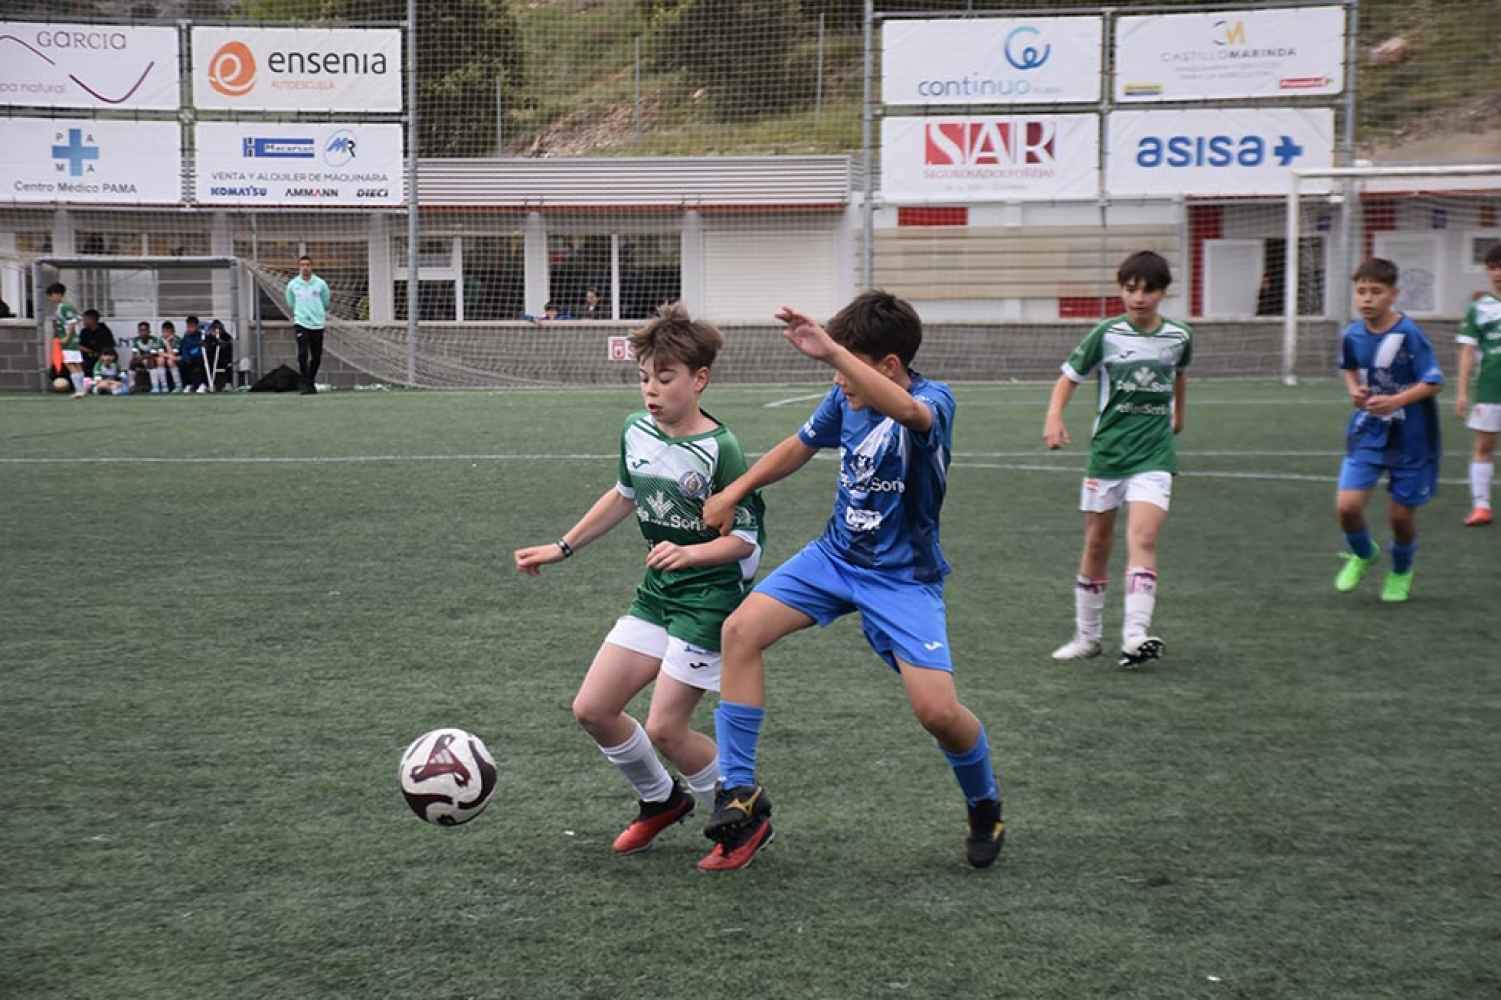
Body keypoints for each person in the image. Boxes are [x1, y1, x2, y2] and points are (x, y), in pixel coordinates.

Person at [698, 291, 1003, 873]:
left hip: (903, 580)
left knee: (937, 713)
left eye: (848, 371)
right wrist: (736, 490)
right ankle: (738, 788)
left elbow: (912, 417)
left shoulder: (933, 400)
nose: (839, 384)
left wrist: (836, 353)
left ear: (887, 366)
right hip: (835, 558)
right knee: (740, 631)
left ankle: (984, 802)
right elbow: (800, 445)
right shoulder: (847, 395)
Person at [513, 304, 766, 857]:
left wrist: (693, 554)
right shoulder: (635, 430)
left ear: (699, 379)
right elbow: (625, 495)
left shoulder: (721, 450)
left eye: (665, 378)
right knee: (593, 709)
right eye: (644, 378)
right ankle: (661, 799)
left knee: (666, 730)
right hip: (658, 593)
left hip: (708, 600)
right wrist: (562, 547)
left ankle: (745, 812)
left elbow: (747, 541)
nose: (651, 390)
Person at [1043, 251, 1191, 670]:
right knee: (1096, 543)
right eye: (1130, 289)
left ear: (1162, 293)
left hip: (1155, 456)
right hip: (1107, 455)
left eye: (1148, 290)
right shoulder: (1106, 334)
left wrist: (1180, 413)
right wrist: (1054, 417)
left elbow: (1179, 373)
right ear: (1121, 289)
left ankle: (1134, 635)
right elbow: (1068, 378)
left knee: (1142, 539)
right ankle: (1087, 638)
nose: (1139, 298)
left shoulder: (1179, 336)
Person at [1333, 258, 1444, 603]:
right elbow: (1349, 368)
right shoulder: (1352, 334)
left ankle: (1400, 570)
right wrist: (1353, 389)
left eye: (1376, 292)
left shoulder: (1408, 334)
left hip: (1411, 436)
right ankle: (1364, 553)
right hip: (1368, 431)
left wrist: (1397, 400)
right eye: (1361, 291)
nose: (1367, 299)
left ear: (1393, 295)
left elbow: (1433, 382)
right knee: (1347, 507)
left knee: (1399, 514)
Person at [1454, 243, 1501, 526]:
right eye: (1493, 267)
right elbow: (1467, 352)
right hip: (1490, 389)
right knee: (1484, 445)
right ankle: (1481, 506)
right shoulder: (1479, 308)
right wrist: (1461, 392)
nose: (1498, 273)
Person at [285, 255, 330, 395]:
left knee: (316, 356)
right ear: (299, 267)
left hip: (317, 324)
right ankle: (305, 383)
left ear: (312, 266)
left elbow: (326, 302)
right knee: (302, 354)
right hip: (301, 323)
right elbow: (291, 303)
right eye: (302, 265)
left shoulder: (321, 284)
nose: (305, 267)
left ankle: (310, 381)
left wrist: (317, 314)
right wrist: (301, 314)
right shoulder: (293, 285)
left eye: (308, 265)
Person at [46, 282, 86, 398]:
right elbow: (77, 318)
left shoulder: (64, 307)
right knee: (76, 364)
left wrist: (66, 338)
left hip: (69, 340)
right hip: (71, 339)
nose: (50, 298)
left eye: (51, 295)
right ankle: (81, 389)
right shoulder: (65, 307)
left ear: (57, 294)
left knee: (70, 363)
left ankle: (79, 390)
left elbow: (72, 323)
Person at [134, 321, 169, 394]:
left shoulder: (154, 339)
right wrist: (139, 358)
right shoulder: (136, 340)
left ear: (149, 331)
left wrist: (142, 357)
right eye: (141, 330)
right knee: (131, 363)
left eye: (145, 330)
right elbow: (134, 355)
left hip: (154, 359)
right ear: (138, 331)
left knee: (151, 360)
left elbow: (153, 354)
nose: (143, 332)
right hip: (143, 360)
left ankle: (160, 387)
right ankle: (130, 385)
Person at [79, 309, 116, 377]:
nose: (83, 322)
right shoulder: (84, 332)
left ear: (92, 320)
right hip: (88, 361)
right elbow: (79, 346)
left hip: (98, 358)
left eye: (85, 319)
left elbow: (109, 348)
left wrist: (123, 378)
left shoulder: (104, 332)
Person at [179, 315, 207, 393]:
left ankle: (202, 385)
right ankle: (188, 385)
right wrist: (187, 358)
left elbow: (203, 350)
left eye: (192, 326)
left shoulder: (202, 336)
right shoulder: (186, 337)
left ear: (197, 326)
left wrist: (204, 344)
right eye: (188, 326)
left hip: (199, 358)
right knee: (182, 363)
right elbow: (184, 350)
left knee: (199, 364)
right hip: (189, 358)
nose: (190, 328)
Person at [205, 319, 235, 390]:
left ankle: (228, 383)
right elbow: (207, 348)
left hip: (224, 359)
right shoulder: (209, 337)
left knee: (229, 364)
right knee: (205, 364)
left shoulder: (226, 336)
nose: (216, 330)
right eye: (214, 328)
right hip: (212, 359)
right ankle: (209, 384)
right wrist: (213, 342)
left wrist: (222, 343)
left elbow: (230, 345)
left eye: (218, 328)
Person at [159, 320, 185, 392]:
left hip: (178, 360)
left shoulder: (177, 340)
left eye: (168, 332)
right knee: (160, 360)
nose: (166, 334)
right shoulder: (160, 339)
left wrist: (167, 343)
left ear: (173, 332)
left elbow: (174, 354)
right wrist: (168, 355)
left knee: (170, 361)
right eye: (164, 332)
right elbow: (160, 353)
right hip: (167, 359)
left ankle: (178, 386)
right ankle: (164, 387)